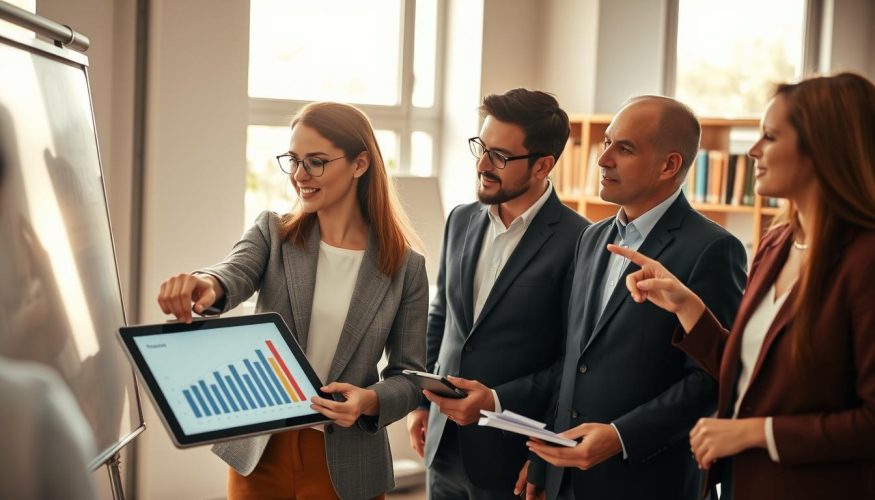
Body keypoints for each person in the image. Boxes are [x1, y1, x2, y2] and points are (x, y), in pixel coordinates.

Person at [607, 73, 875, 499]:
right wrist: (688, 307)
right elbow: (753, 376)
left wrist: (756, 432)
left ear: (822, 147)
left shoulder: (865, 260)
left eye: (770, 136)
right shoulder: (776, 243)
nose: (753, 150)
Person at [157, 102, 428, 500]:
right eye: (294, 160)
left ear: (359, 164)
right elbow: (232, 273)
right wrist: (204, 284)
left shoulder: (405, 267)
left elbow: (410, 377)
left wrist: (369, 401)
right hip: (263, 451)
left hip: (348, 461)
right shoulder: (273, 233)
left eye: (316, 162)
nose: (300, 175)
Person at [524, 95, 748, 500]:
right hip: (566, 478)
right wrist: (543, 462)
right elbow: (574, 359)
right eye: (606, 142)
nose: (602, 159)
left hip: (648, 482)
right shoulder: (592, 237)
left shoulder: (714, 249)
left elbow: (711, 379)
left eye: (624, 149)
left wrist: (620, 436)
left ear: (669, 165)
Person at [405, 88, 589, 499]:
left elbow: (574, 364)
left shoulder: (580, 241)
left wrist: (540, 451)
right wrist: (421, 402)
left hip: (513, 455)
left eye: (500, 156)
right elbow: (441, 316)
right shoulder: (460, 219)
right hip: (443, 444)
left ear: (543, 165)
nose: (482, 165)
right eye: (482, 147)